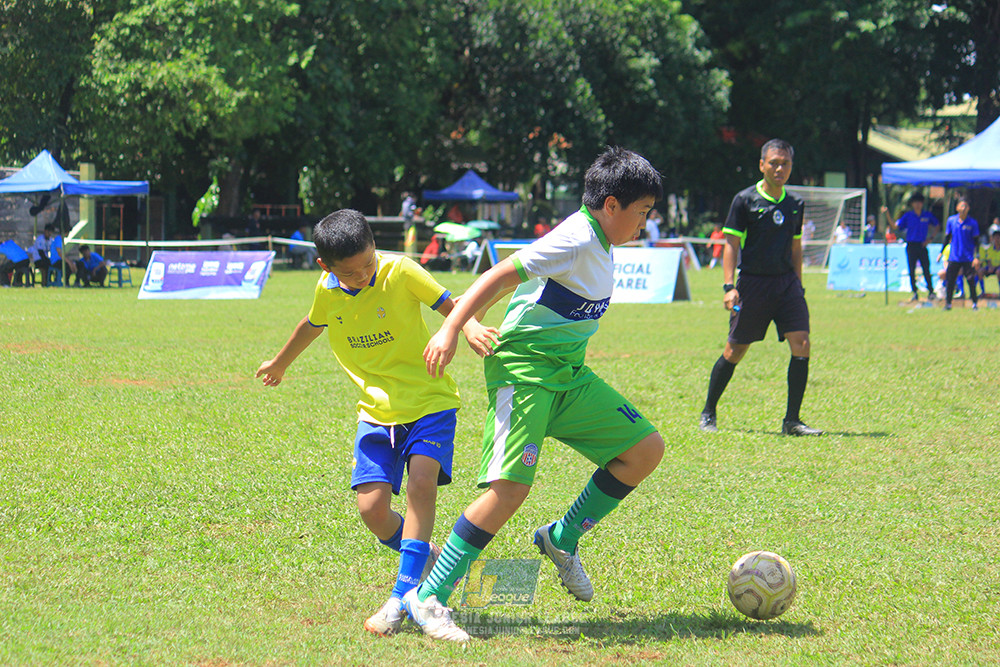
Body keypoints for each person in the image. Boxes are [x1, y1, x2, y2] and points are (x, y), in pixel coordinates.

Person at [405, 147, 665, 642]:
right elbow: (500, 274)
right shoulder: (575, 237)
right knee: (510, 490)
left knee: (644, 450)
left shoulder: (604, 242)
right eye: (642, 212)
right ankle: (428, 597)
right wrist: (453, 329)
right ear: (611, 205)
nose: (644, 223)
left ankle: (560, 539)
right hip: (523, 372)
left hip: (568, 375)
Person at [255, 209, 498, 637]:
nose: (364, 275)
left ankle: (403, 598)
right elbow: (310, 326)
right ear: (325, 267)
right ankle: (431, 562)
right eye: (351, 272)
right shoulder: (327, 291)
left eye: (369, 263)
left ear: (374, 246)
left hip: (430, 400)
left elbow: (448, 303)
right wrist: (280, 362)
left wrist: (471, 327)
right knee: (372, 511)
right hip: (375, 412)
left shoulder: (400, 270)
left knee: (422, 483)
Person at [699, 138, 822, 437]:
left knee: (802, 343)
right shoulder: (744, 200)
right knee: (735, 350)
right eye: (774, 163)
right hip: (753, 284)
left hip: (787, 285)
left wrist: (799, 285)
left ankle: (792, 420)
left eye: (785, 163)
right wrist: (729, 286)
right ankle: (708, 412)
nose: (780, 168)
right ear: (762, 165)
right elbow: (731, 245)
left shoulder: (795, 204)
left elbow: (796, 248)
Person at [882, 192, 940, 301]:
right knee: (912, 269)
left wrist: (930, 238)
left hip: (922, 244)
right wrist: (887, 214)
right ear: (912, 204)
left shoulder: (927, 215)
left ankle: (931, 291)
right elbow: (895, 226)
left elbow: (937, 225)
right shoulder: (908, 216)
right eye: (915, 202)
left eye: (919, 202)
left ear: (922, 204)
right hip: (911, 245)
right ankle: (914, 292)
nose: (917, 204)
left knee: (926, 268)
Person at [938, 197, 980, 310]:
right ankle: (948, 304)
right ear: (957, 208)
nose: (963, 208)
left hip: (968, 257)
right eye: (962, 206)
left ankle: (974, 303)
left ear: (968, 208)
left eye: (966, 206)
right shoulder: (951, 220)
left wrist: (976, 257)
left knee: (971, 280)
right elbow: (947, 238)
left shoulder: (972, 223)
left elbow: (977, 241)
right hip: (954, 257)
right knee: (950, 280)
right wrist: (941, 252)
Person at [978, 225, 1000, 292]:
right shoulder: (990, 248)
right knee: (980, 271)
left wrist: (995, 267)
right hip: (991, 266)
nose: (997, 239)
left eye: (998, 237)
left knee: (999, 272)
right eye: (995, 237)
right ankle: (983, 291)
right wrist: (990, 267)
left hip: (998, 267)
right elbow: (989, 259)